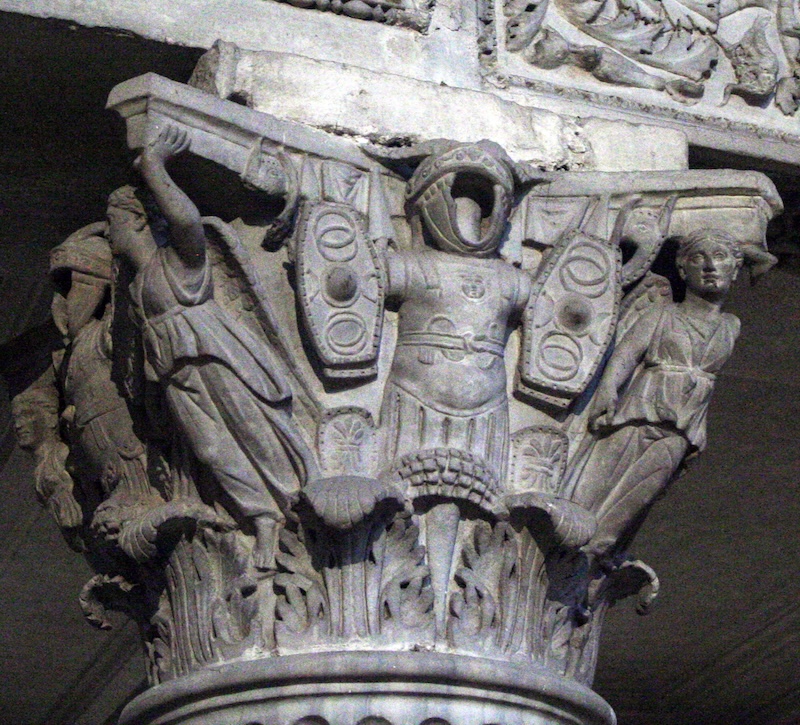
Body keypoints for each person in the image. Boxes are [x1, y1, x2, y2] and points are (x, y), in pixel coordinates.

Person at [107, 125, 317, 570]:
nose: (112, 236)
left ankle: (294, 505)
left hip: (216, 358)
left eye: (116, 224)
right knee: (211, 450)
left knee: (252, 431)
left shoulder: (179, 259)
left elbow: (185, 220)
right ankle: (260, 515)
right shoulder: (137, 286)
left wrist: (155, 167)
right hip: (176, 374)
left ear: (141, 222)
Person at [572, 228, 746, 558]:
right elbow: (626, 353)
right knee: (593, 487)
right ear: (682, 271)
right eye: (698, 259)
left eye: (720, 258)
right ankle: (569, 546)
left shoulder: (730, 326)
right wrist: (607, 390)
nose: (710, 267)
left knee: (635, 498)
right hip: (638, 413)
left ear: (735, 269)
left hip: (683, 424)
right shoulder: (663, 313)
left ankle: (592, 554)